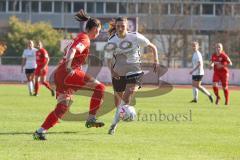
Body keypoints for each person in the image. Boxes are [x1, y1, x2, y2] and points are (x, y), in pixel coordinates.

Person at [33, 10, 105, 140]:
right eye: (97, 31)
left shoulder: (79, 37)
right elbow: (72, 50)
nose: (98, 33)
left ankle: (40, 131)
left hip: (60, 74)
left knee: (62, 107)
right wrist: (68, 66)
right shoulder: (85, 38)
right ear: (92, 29)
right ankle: (91, 118)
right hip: (68, 71)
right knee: (100, 88)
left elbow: (71, 51)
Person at [106, 17, 160, 135]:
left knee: (125, 100)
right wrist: (112, 71)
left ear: (127, 27)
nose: (120, 29)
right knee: (119, 104)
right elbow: (108, 59)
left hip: (134, 71)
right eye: (118, 26)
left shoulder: (135, 36)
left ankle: (113, 126)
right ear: (115, 27)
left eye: (123, 26)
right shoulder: (111, 41)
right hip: (119, 73)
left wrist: (156, 59)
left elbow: (152, 46)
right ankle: (117, 121)